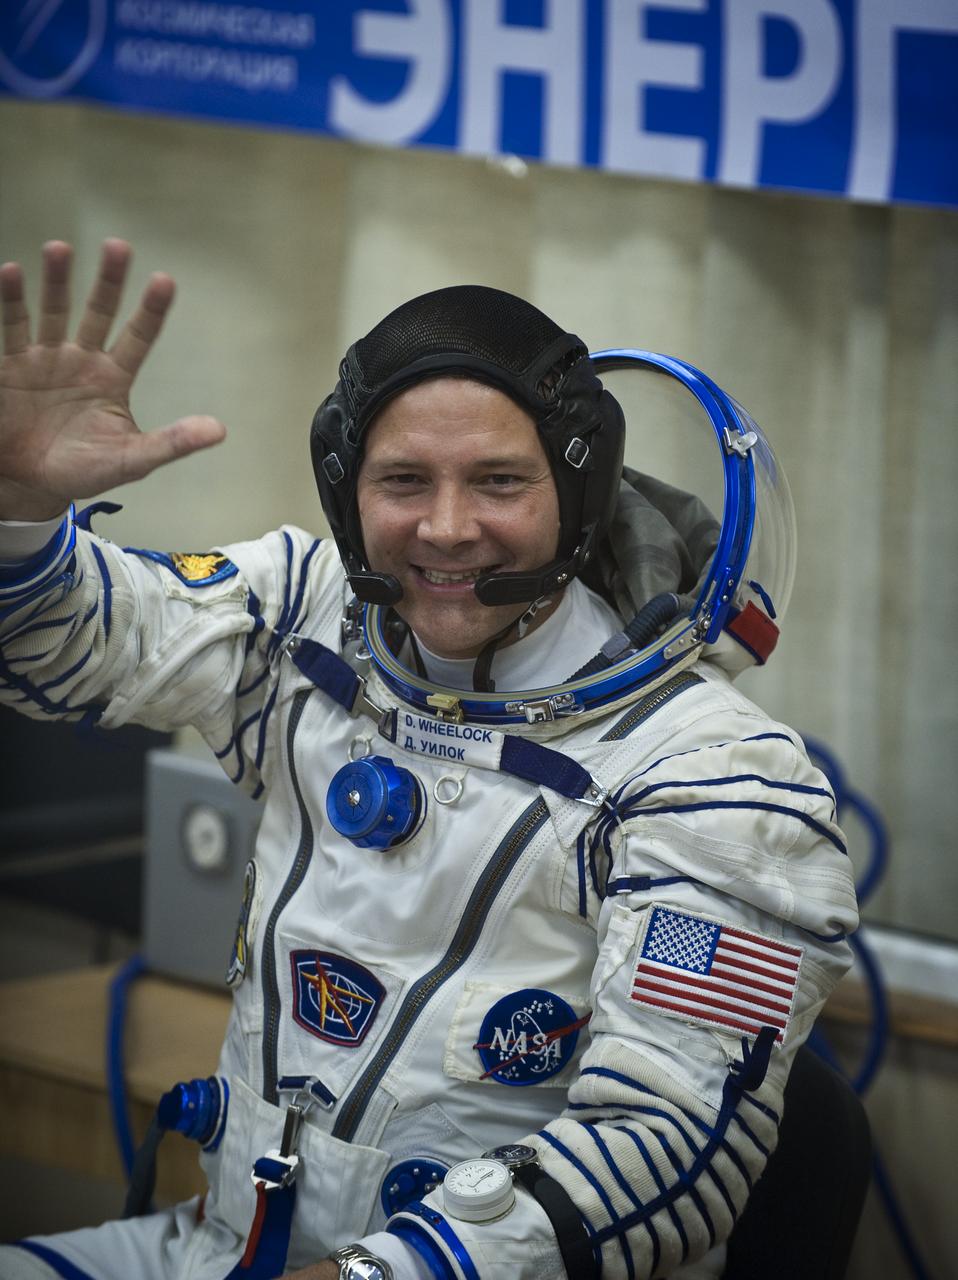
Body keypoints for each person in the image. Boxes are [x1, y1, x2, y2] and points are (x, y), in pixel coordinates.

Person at [0, 241, 858, 1280]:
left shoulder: (716, 776)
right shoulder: (302, 613)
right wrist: (21, 510)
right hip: (220, 1246)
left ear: (575, 498)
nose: (447, 529)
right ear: (345, 491)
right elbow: (64, 642)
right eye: (403, 480)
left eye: (499, 480)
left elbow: (667, 1152)